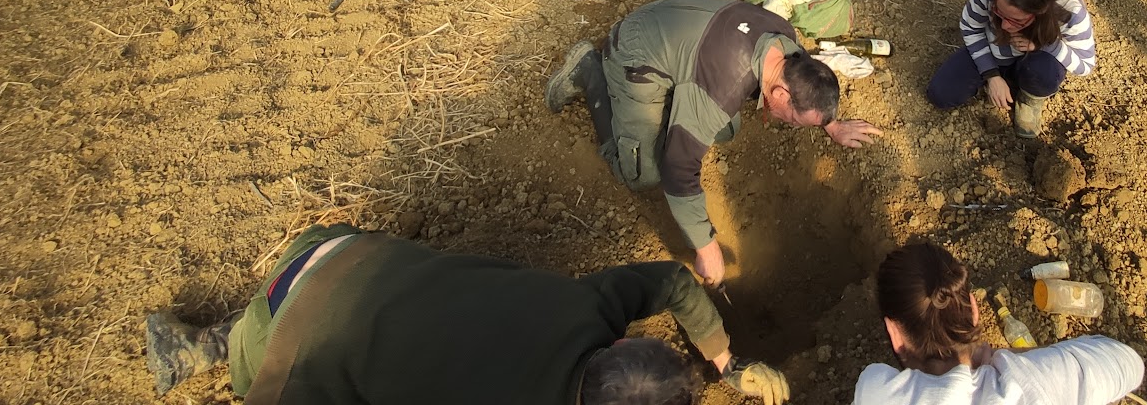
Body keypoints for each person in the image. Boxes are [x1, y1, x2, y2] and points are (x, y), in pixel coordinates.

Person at [143, 223, 790, 405]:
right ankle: (199, 348)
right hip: (292, 345)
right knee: (283, 355)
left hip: (336, 250)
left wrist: (726, 361)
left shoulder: (589, 307)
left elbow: (676, 282)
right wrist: (730, 364)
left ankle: (250, 319)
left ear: (617, 345)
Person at [547, 0, 882, 286]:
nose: (793, 127)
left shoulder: (787, 45)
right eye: (796, 121)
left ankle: (668, 109)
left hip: (678, 33)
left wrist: (831, 125)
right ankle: (590, 70)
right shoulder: (722, 87)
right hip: (636, 55)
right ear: (781, 93)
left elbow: (809, 82)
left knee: (725, 127)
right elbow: (679, 170)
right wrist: (706, 248)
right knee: (642, 175)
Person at [853, 240, 1143, 405]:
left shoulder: (875, 392)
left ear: (894, 334)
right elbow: (1127, 362)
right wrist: (1012, 359)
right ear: (975, 311)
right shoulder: (1029, 386)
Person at [927, 0, 1096, 138]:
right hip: (993, 50)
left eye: (1017, 20)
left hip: (1036, 61)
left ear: (1040, 13)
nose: (1006, 26)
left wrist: (1045, 44)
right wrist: (991, 75)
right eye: (1000, 14)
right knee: (941, 95)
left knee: (1044, 72)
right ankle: (1000, 77)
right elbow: (970, 27)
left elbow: (1085, 65)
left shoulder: (1069, 12)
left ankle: (1030, 98)